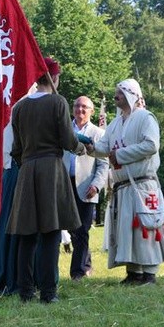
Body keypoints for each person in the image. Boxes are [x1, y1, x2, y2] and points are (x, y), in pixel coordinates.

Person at [7, 57, 85, 303]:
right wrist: (80, 148)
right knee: (51, 231)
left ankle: (26, 291)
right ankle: (49, 293)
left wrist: (27, 164)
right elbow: (67, 139)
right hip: (51, 169)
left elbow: (16, 148)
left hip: (28, 170)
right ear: (55, 78)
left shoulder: (19, 108)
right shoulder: (57, 102)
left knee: (27, 234)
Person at [88, 79, 164, 285]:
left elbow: (151, 145)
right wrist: (87, 148)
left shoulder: (146, 117)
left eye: (119, 92)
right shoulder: (115, 123)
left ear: (130, 94)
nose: (115, 96)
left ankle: (149, 274)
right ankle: (134, 272)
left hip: (143, 185)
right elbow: (103, 148)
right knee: (127, 230)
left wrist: (119, 155)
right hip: (123, 187)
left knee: (145, 228)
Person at [62, 95, 109, 281]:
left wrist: (97, 185)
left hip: (86, 187)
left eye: (84, 107)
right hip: (64, 185)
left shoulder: (99, 133)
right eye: (77, 106)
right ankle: (86, 263)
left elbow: (103, 164)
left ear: (91, 111)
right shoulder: (64, 130)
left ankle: (78, 272)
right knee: (72, 230)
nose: (80, 110)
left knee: (82, 229)